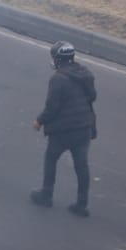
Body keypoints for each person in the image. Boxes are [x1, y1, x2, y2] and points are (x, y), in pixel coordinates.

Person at [30, 41, 97, 217]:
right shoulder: (85, 74)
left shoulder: (58, 79)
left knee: (51, 159)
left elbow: (52, 108)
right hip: (84, 127)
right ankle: (82, 204)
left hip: (65, 130)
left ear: (58, 59)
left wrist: (39, 121)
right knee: (81, 165)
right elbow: (92, 97)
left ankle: (46, 195)